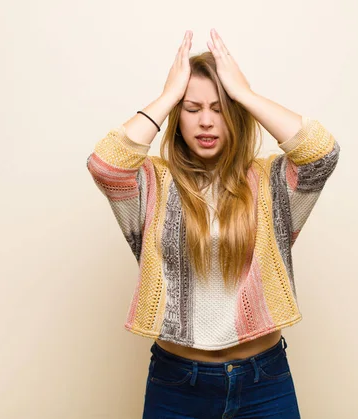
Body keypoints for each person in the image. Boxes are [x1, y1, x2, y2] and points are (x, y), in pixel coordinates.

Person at [87, 28, 340, 419]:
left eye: (219, 108)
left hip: (264, 382)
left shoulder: (271, 182)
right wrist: (169, 95)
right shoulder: (152, 183)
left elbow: (321, 154)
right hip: (176, 385)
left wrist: (246, 95)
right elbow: (106, 164)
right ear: (177, 117)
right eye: (192, 109)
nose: (206, 121)